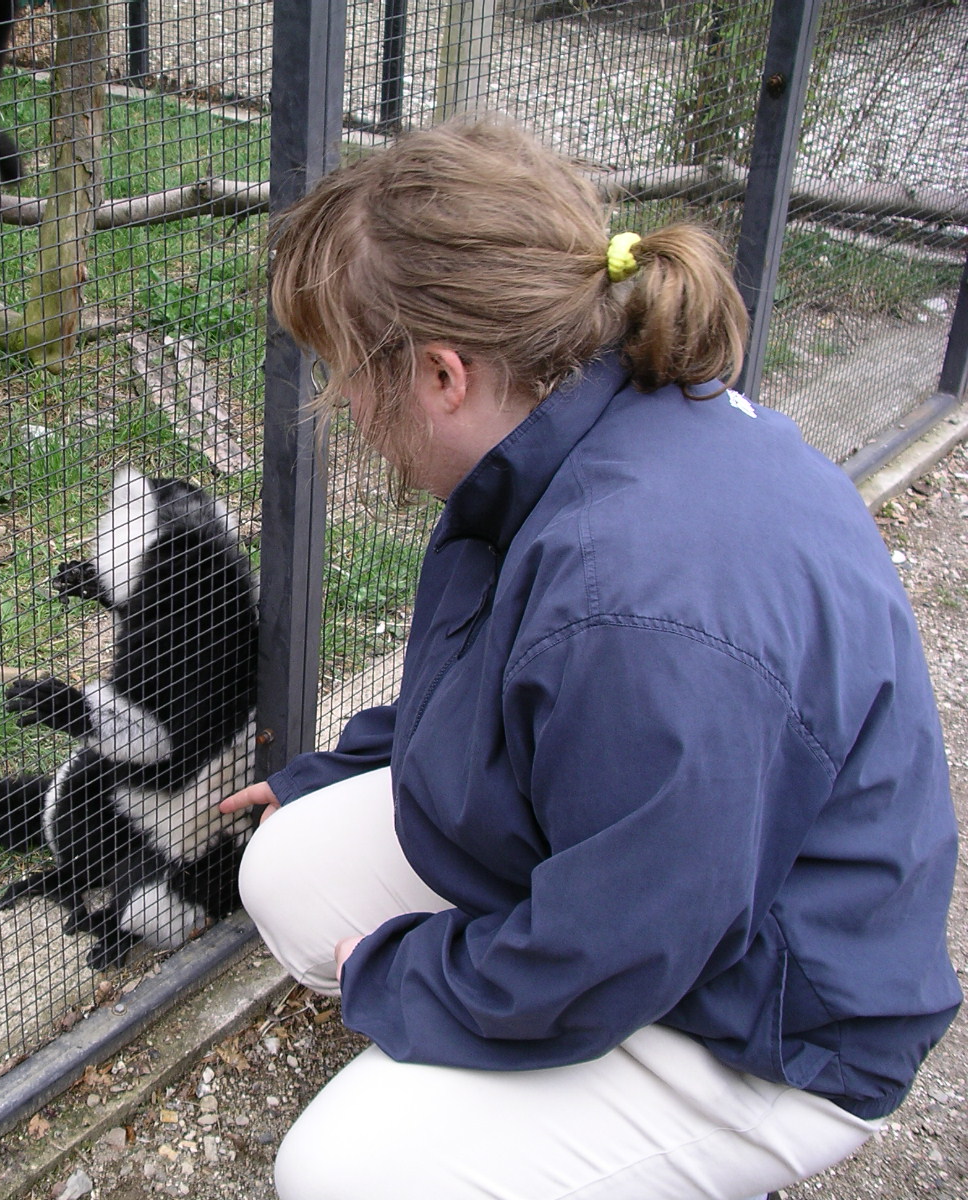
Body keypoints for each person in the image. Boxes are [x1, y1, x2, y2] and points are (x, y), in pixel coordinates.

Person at [220, 116, 960, 1200]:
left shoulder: (632, 603)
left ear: (442, 374)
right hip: (681, 889)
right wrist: (337, 769)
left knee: (338, 1174)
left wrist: (404, 976)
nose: (348, 413)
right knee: (289, 870)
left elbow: (625, 942)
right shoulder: (592, 420)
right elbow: (505, 674)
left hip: (771, 1016)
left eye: (345, 376)